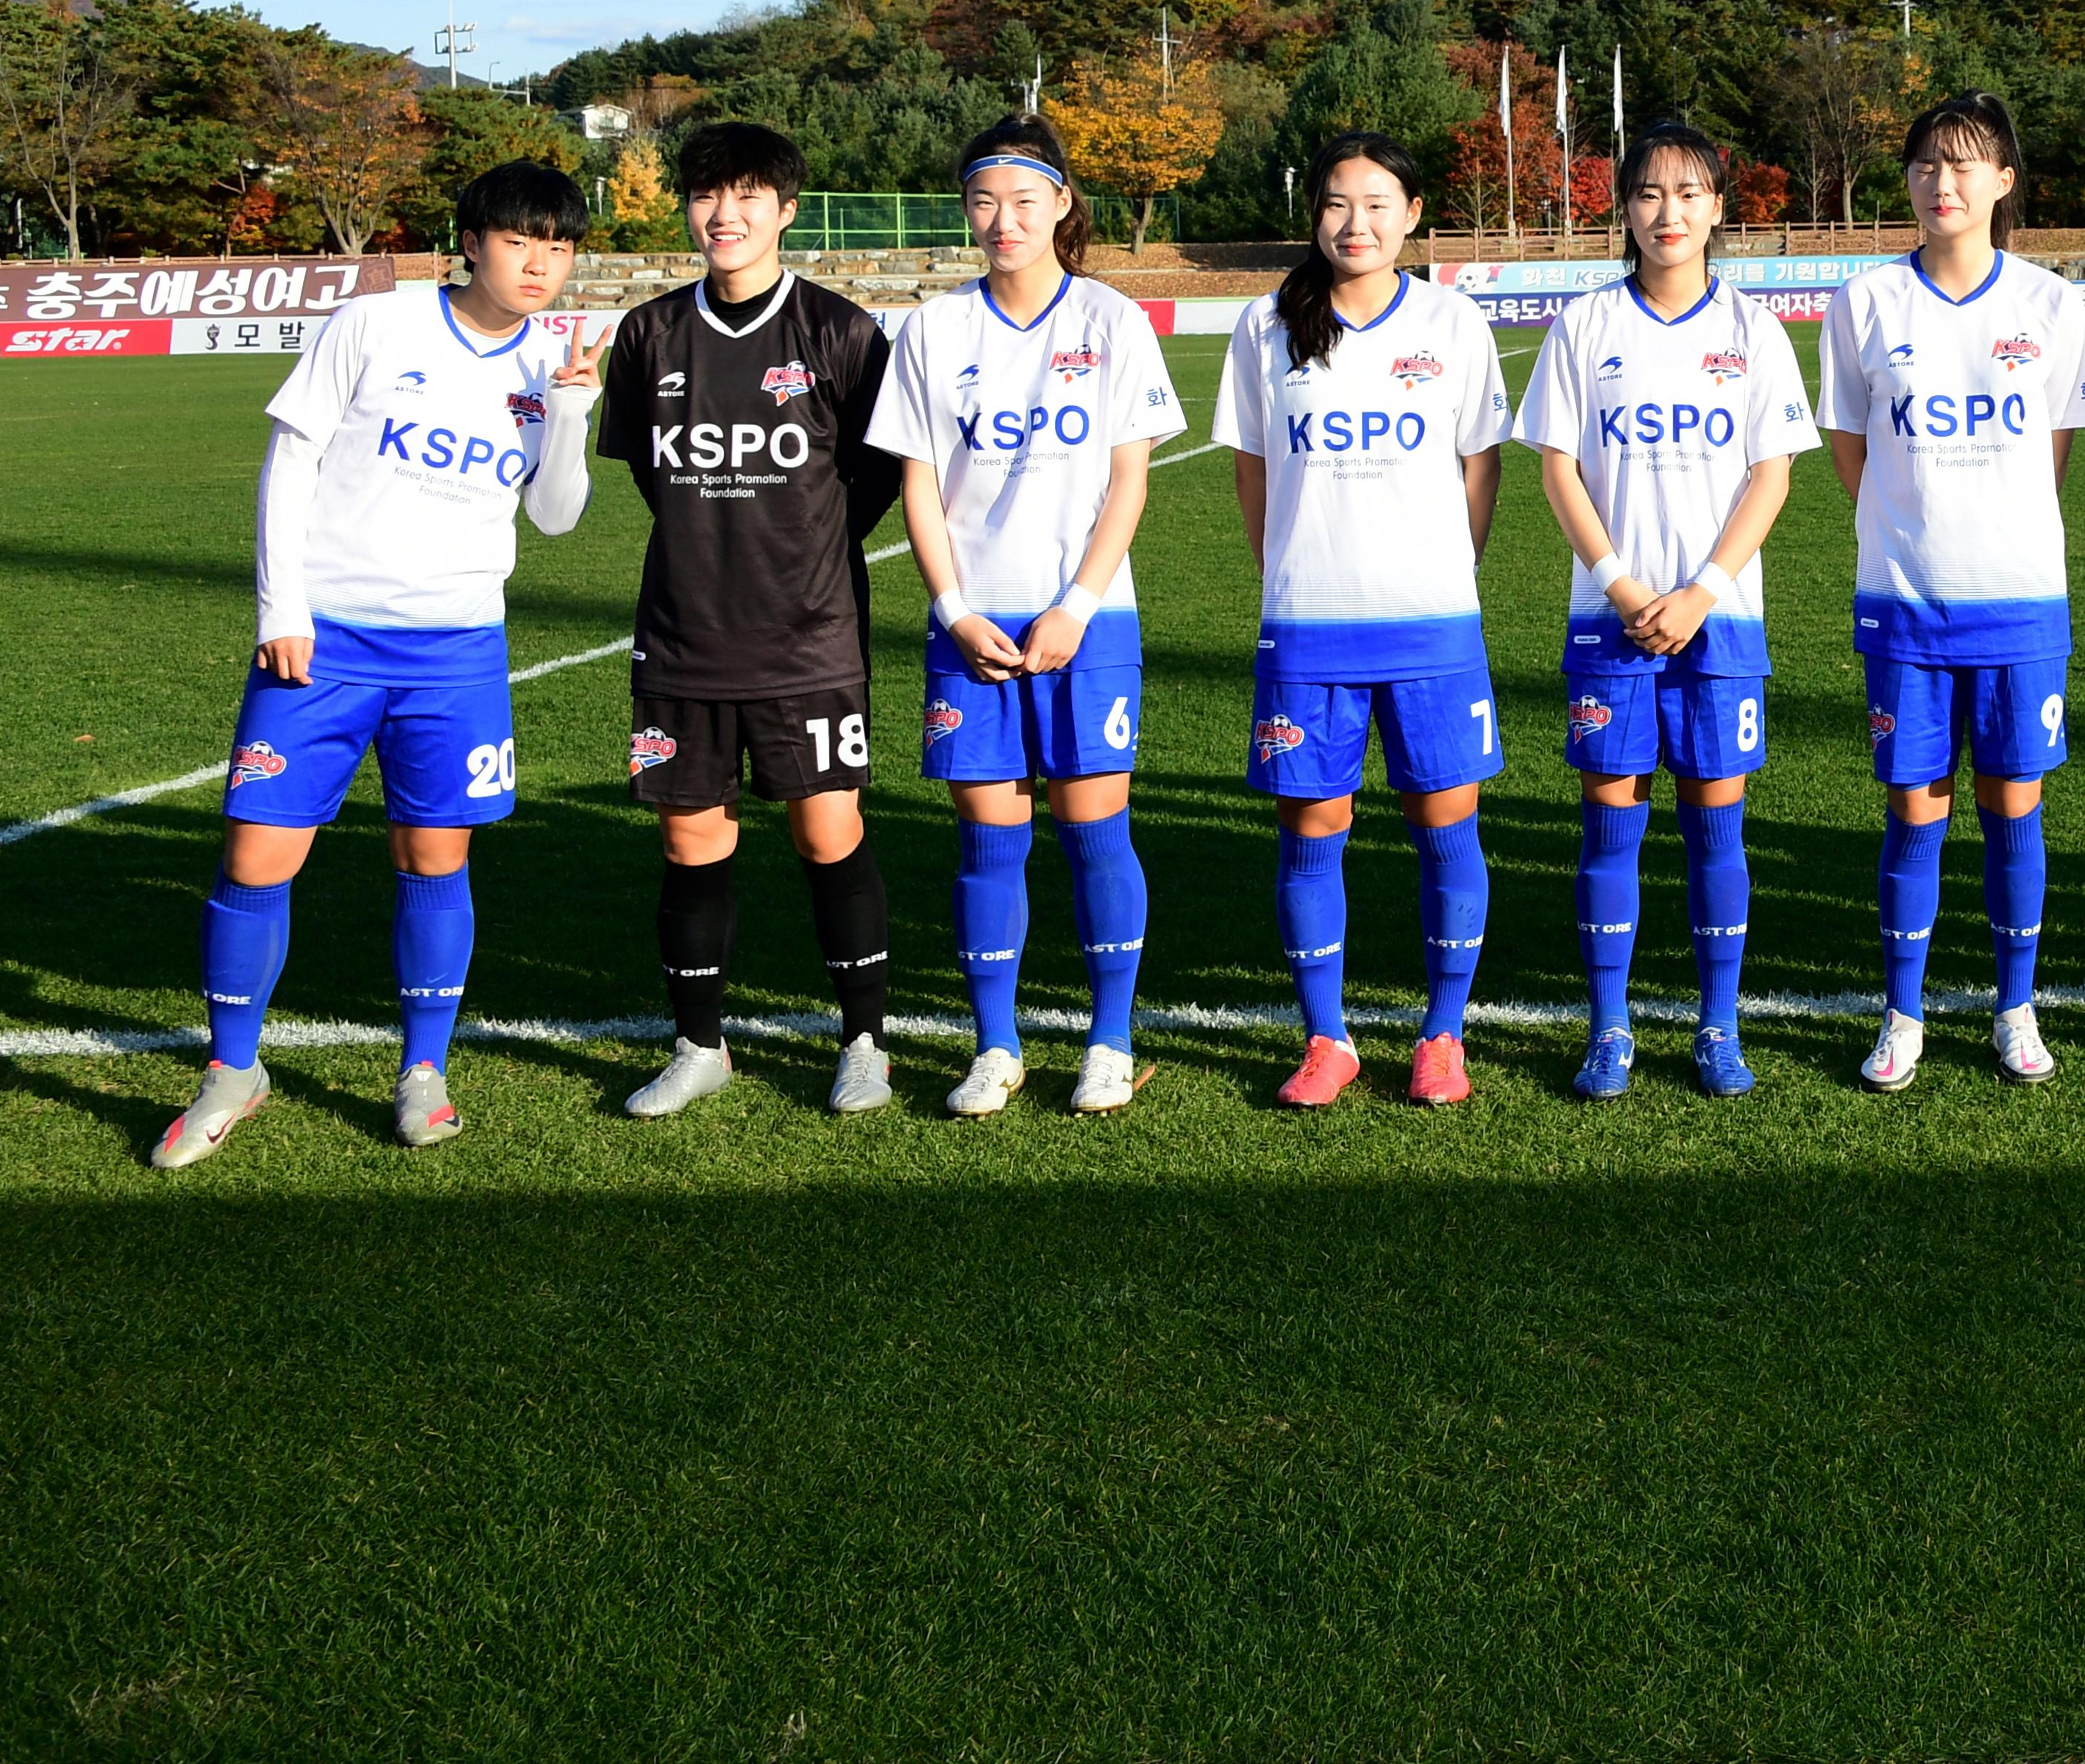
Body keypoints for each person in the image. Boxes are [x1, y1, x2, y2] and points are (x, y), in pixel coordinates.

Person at [152, 159, 600, 1168]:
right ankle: (233, 1069)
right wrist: (284, 606)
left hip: (459, 653)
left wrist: (572, 409)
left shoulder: (550, 362)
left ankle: (423, 1070)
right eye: (521, 239)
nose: (541, 263)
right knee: (258, 853)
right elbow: (292, 458)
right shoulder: (376, 323)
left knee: (434, 858)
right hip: (327, 643)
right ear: (472, 240)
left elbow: (557, 516)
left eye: (560, 245)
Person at [869, 115, 1188, 1119]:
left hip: (1086, 624)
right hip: (975, 630)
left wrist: (1079, 605)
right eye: (982, 201)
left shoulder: (1108, 320)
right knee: (988, 843)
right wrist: (954, 610)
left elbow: (1130, 482)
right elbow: (920, 485)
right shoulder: (934, 328)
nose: (1001, 221)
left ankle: (1108, 1039)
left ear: (1060, 204)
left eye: (1021, 200)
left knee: (1097, 833)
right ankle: (997, 1046)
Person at [599, 118, 902, 1122]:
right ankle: (699, 1047)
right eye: (705, 196)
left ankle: (865, 1042)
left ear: (785, 208)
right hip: (684, 639)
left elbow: (878, 476)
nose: (723, 215)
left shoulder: (841, 332)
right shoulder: (650, 334)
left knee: (828, 833)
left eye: (745, 196)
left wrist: (801, 550)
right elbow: (651, 472)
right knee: (690, 845)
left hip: (809, 638)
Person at [1513, 121, 1816, 1100]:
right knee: (1612, 819)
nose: (1668, 213)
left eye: (1689, 194)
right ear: (1625, 208)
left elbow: (1770, 477)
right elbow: (1558, 467)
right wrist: (1625, 585)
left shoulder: (1751, 332)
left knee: (1714, 823)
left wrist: (1701, 591)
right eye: (1649, 194)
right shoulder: (1588, 326)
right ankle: (1610, 1027)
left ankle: (1717, 1025)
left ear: (1718, 208)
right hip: (1614, 618)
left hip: (1717, 621)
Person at [1211, 132, 1512, 1109]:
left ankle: (1443, 1031)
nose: (1357, 223)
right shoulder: (1266, 325)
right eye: (1339, 203)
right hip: (1309, 627)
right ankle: (1327, 1038)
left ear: (1413, 215)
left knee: (1444, 824)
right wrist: (1287, 572)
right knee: (1315, 824)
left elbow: (1480, 463)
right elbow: (1253, 471)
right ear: (1316, 214)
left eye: (1379, 204)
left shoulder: (1452, 324)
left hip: (1431, 625)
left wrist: (1447, 570)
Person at [1817, 90, 2085, 1092]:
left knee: (2012, 801)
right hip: (1906, 601)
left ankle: (2013, 1007)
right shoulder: (1865, 303)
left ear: (2004, 182)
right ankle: (1903, 1013)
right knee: (1914, 806)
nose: (1945, 183)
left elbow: (2054, 453)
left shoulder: (2051, 305)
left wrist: (1993, 522)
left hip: (2020, 598)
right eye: (1928, 165)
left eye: (1967, 164)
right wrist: (1914, 520)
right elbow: (1852, 449)